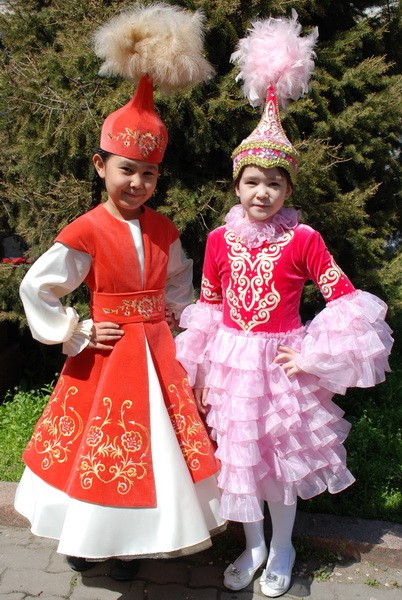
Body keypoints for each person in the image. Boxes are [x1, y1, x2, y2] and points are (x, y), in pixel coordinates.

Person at [175, 13, 393, 598]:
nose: (262, 192)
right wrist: (200, 369)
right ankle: (252, 546)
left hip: (281, 366)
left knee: (279, 463)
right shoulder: (218, 240)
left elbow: (344, 298)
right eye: (251, 181)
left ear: (289, 189)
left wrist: (314, 356)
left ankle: (284, 546)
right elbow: (209, 306)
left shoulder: (304, 239)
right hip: (231, 366)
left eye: (274, 183)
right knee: (241, 461)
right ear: (236, 185)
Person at [14, 4, 224, 581]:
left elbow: (179, 281)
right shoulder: (85, 230)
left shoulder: (163, 228)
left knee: (158, 449)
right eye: (126, 169)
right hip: (106, 357)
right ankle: (90, 539)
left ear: (159, 177)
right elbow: (38, 285)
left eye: (148, 173)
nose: (137, 182)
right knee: (100, 446)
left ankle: (136, 542)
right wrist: (75, 330)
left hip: (159, 352)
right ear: (100, 165)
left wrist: (183, 319)